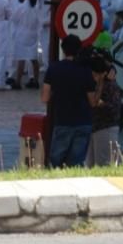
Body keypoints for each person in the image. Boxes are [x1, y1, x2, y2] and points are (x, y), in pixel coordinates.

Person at [42, 34, 97, 168]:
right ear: (79, 50)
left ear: (63, 49)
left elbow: (45, 97)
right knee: (76, 164)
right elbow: (93, 102)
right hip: (83, 121)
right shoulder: (86, 71)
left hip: (62, 121)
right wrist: (99, 84)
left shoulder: (54, 68)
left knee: (56, 163)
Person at [87, 61, 121, 167]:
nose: (94, 77)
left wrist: (100, 104)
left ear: (103, 74)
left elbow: (114, 108)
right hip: (95, 128)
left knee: (104, 165)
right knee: (91, 165)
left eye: (96, 75)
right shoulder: (95, 85)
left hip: (105, 128)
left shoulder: (110, 86)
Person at [10, 0, 41, 89]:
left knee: (21, 58)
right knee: (33, 58)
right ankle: (36, 80)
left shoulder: (22, 7)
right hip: (33, 34)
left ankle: (18, 82)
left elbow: (14, 18)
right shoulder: (35, 6)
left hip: (22, 34)